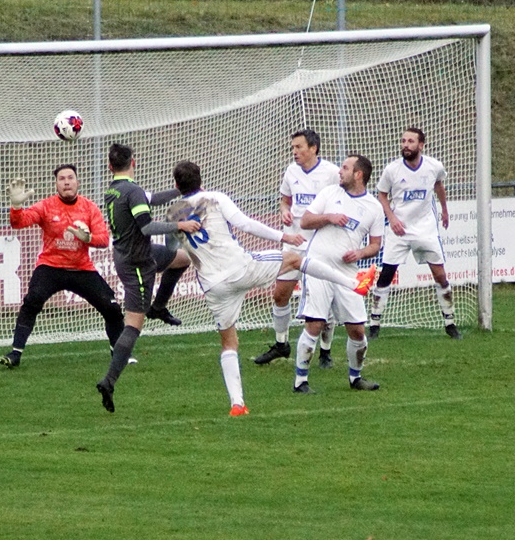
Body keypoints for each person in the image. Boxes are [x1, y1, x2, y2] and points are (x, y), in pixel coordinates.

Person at [170, 161, 376, 415]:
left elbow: (175, 254)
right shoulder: (215, 198)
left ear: (177, 185)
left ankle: (237, 404)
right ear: (201, 179)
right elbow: (245, 224)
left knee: (229, 343)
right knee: (294, 259)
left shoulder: (174, 214)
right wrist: (284, 236)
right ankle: (354, 283)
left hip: (213, 286)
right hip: (241, 269)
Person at [95, 143, 198, 412]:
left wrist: (180, 190)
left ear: (110, 166)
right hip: (137, 263)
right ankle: (109, 381)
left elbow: (151, 199)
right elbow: (147, 226)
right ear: (134, 162)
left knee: (182, 259)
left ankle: (159, 307)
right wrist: (180, 224)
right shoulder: (133, 191)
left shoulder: (115, 189)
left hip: (133, 253)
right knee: (133, 324)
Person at [0, 164, 125, 370]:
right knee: (32, 301)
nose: (66, 182)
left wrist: (88, 238)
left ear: (78, 182)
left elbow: (103, 240)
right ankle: (15, 353)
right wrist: (16, 206)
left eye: (70, 178)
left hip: (81, 268)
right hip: (51, 266)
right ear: (56, 184)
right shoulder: (46, 206)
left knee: (112, 308)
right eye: (62, 179)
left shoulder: (89, 207)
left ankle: (119, 355)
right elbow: (19, 223)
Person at [293, 154, 384, 394]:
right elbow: (305, 221)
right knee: (315, 323)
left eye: (345, 168)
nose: (339, 171)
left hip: (347, 273)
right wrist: (329, 217)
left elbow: (376, 245)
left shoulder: (374, 207)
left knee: (357, 331)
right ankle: (300, 381)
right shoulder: (329, 193)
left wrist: (360, 253)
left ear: (358, 174)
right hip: (318, 267)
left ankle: (356, 378)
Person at [254, 128, 342, 367]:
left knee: (323, 300)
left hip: (320, 245)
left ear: (313, 148)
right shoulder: (291, 171)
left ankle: (325, 351)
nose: (294, 151)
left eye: (299, 147)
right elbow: (285, 200)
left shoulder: (331, 173)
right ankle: (281, 344)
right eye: (293, 147)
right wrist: (284, 211)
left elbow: (341, 204)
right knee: (280, 294)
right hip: (293, 243)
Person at [368, 127, 459, 340]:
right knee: (386, 275)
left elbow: (439, 185)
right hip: (399, 229)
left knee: (440, 275)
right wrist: (392, 218)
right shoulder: (392, 170)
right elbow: (382, 195)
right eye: (403, 141)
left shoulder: (434, 166)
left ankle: (450, 322)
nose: (405, 145)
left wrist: (445, 210)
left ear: (421, 145)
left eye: (410, 141)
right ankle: (374, 323)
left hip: (425, 229)